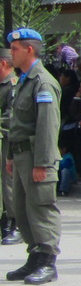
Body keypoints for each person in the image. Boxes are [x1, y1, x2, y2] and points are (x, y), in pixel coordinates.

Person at [3, 29, 63, 285]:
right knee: (24, 209)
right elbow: (16, 123)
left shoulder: (43, 82)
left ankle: (48, 261)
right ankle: (34, 257)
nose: (11, 53)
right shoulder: (24, 81)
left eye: (15, 48)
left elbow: (48, 127)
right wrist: (9, 156)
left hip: (37, 157)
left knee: (41, 207)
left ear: (29, 50)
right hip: (20, 155)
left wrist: (42, 163)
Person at [0, 49, 20, 245]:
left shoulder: (13, 85)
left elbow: (11, 117)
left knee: (8, 182)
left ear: (2, 64)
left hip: (8, 140)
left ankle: (14, 223)